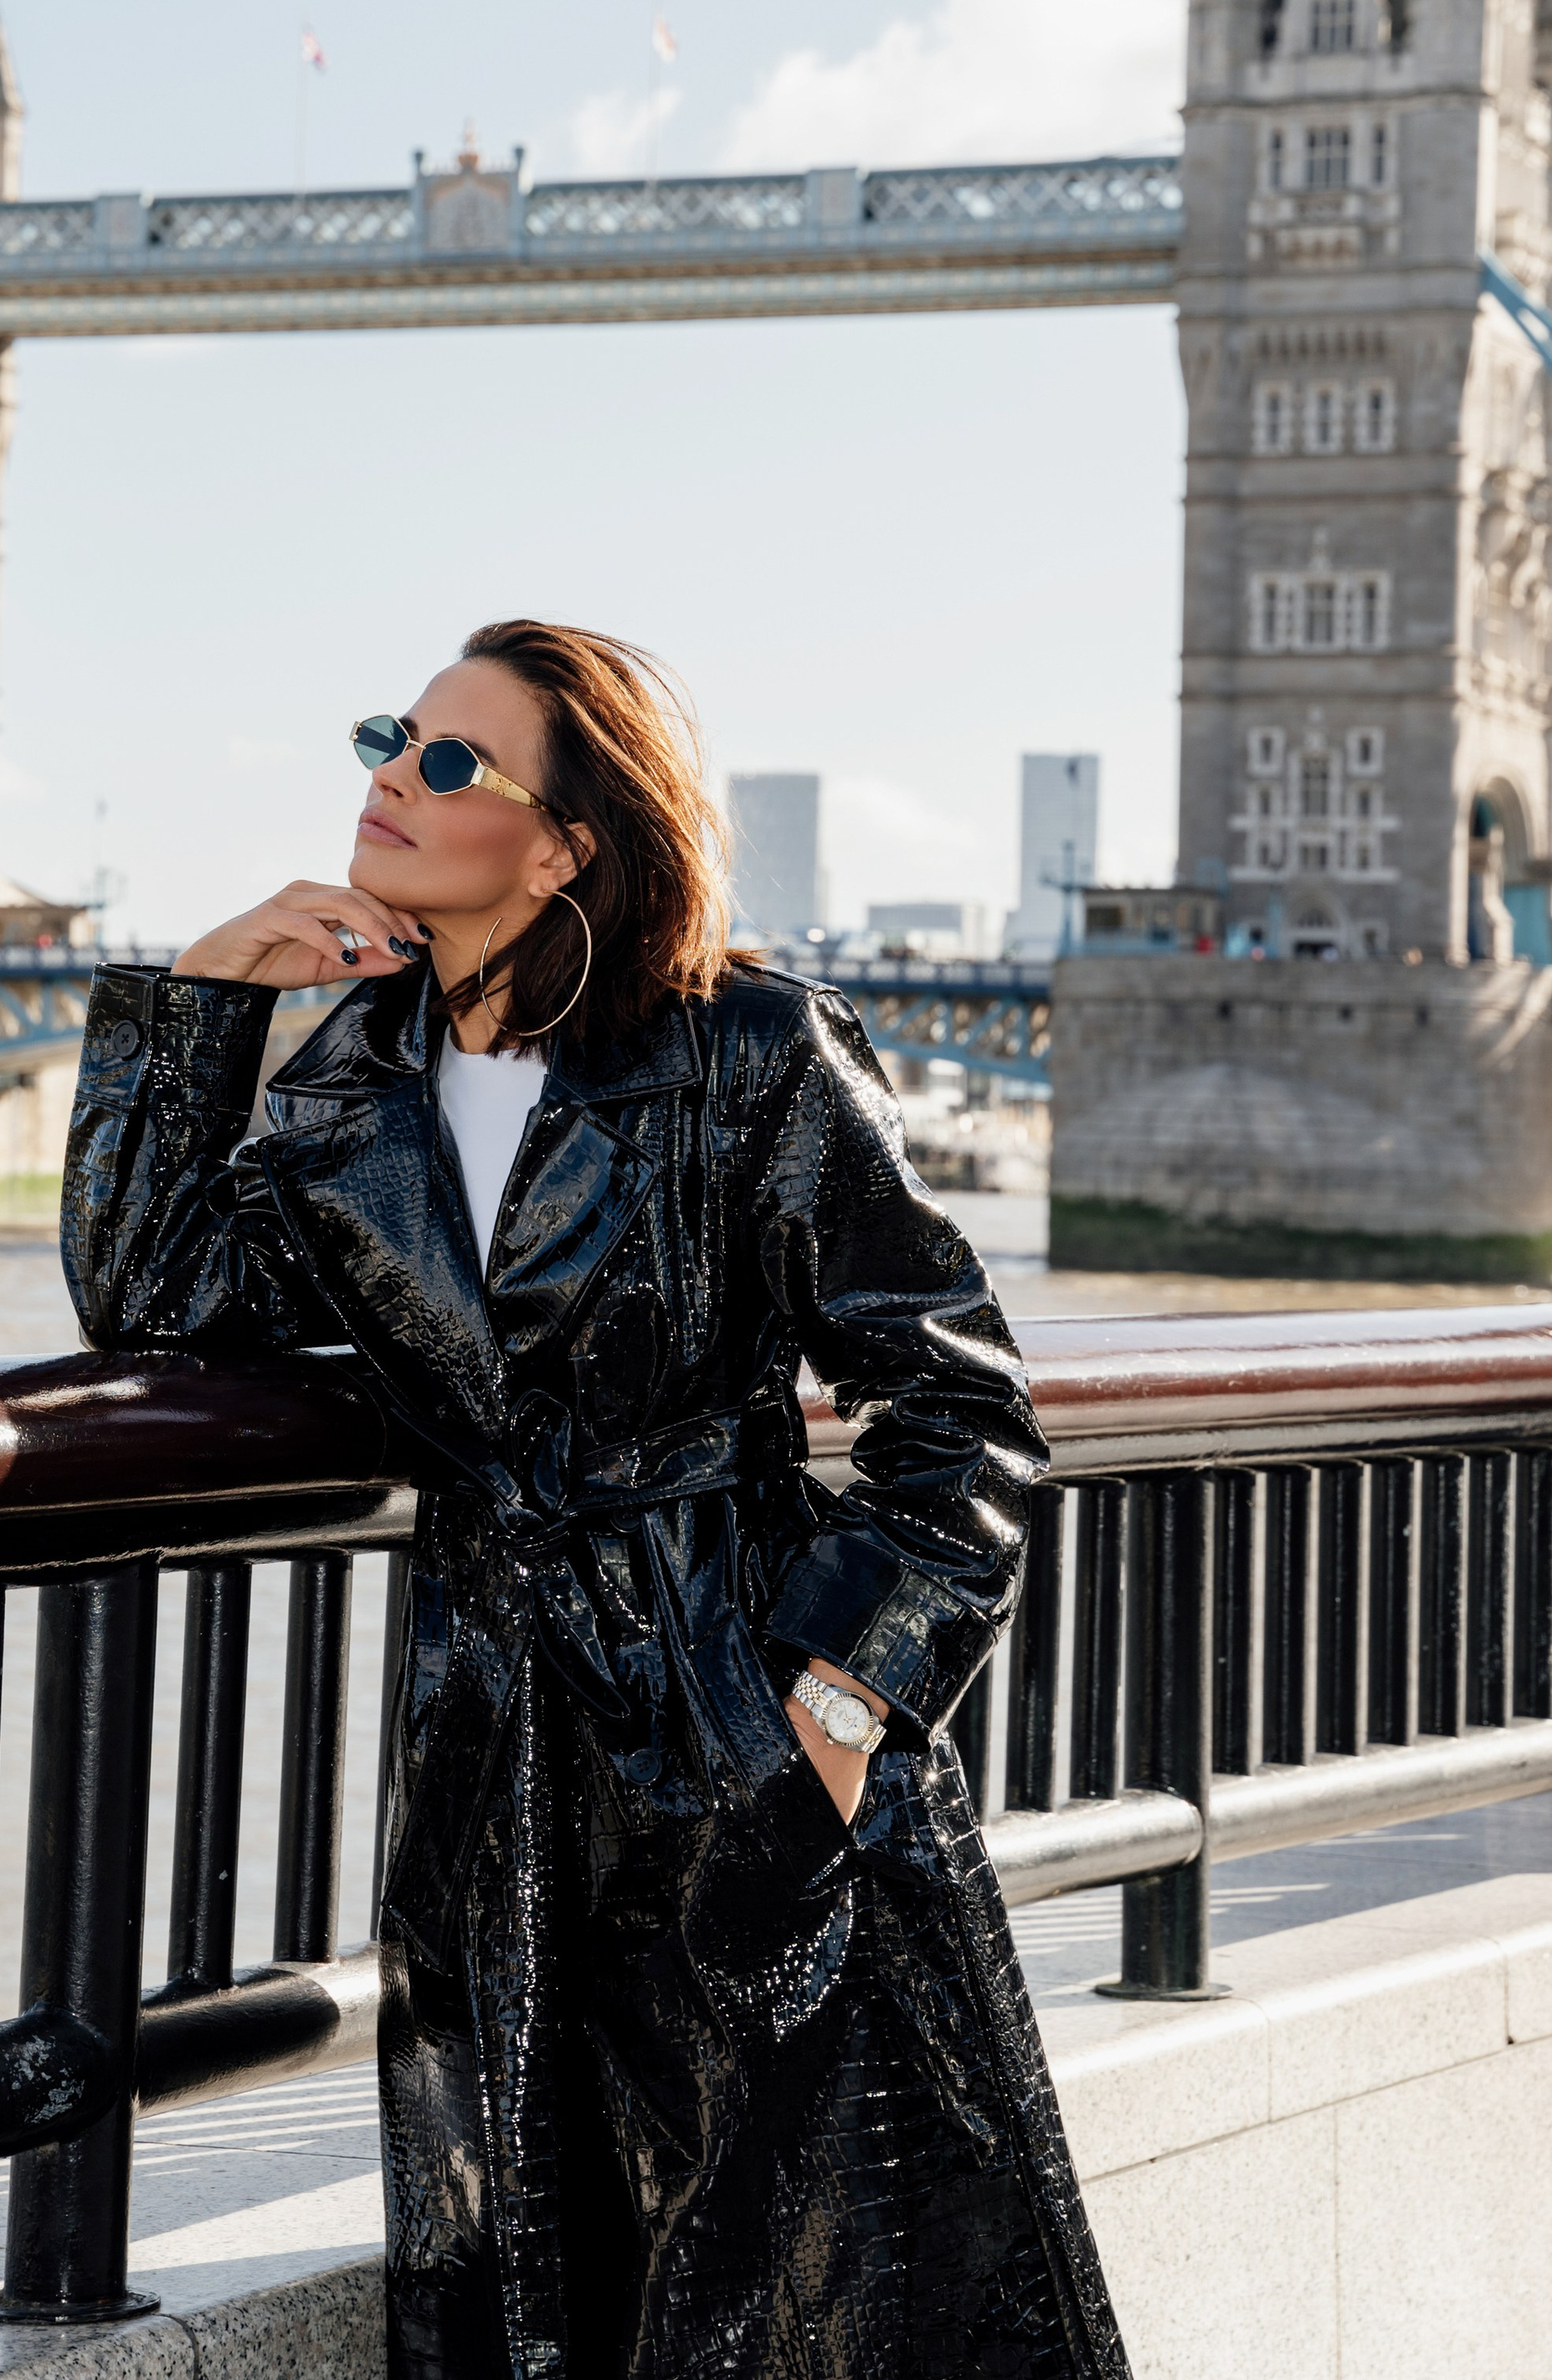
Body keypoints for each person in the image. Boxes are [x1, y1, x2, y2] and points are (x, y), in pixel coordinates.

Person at [62, 618, 1129, 2380]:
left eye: (448, 761)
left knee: (813, 2290)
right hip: (492, 1756)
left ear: (565, 844)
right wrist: (199, 1001)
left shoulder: (745, 1050)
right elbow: (151, 1293)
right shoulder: (344, 1088)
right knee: (533, 2276)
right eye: (389, 740)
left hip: (739, 1718)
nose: (391, 781)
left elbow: (958, 1401)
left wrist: (834, 1719)